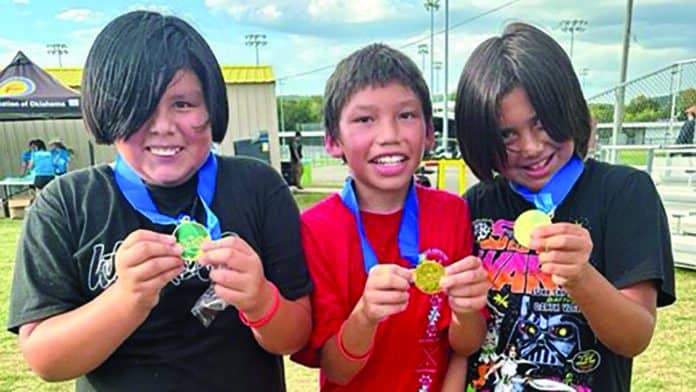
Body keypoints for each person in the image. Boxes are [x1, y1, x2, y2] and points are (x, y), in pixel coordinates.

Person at [7, 10, 312, 392]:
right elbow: (45, 360)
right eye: (139, 106)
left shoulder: (258, 187)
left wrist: (260, 300)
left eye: (183, 104)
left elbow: (295, 335)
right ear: (107, 110)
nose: (163, 126)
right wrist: (127, 298)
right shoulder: (67, 203)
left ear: (212, 108)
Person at [454, 22, 675, 392]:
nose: (530, 147)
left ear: (568, 107)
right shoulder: (475, 205)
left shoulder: (624, 193)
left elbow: (635, 336)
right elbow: (464, 344)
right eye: (507, 134)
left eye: (541, 124)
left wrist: (581, 278)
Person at [291, 43, 490, 391]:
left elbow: (466, 344)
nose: (390, 136)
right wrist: (366, 315)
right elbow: (336, 371)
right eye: (365, 119)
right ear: (332, 140)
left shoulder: (452, 212)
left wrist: (467, 307)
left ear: (428, 132)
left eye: (406, 115)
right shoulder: (316, 229)